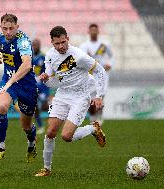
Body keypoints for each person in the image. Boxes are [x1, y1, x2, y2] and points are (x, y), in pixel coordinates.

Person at [35, 26, 107, 177]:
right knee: (50, 132)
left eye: (63, 42)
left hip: (80, 96)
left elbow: (100, 71)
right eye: (57, 44)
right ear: (52, 43)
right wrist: (45, 78)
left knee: (66, 136)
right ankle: (46, 169)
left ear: (67, 38)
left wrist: (99, 95)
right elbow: (50, 77)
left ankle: (93, 129)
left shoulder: (79, 56)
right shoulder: (49, 55)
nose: (61, 46)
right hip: (62, 94)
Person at [0, 13, 38, 163]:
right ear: (1, 27)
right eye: (5, 28)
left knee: (26, 126)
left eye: (11, 28)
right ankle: (1, 147)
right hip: (8, 81)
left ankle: (31, 143)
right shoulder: (1, 36)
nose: (8, 32)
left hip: (27, 86)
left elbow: (26, 65)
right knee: (2, 107)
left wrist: (11, 82)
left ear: (17, 27)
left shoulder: (23, 41)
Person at [80, 23, 113, 126]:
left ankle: (100, 116)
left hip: (102, 74)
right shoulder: (84, 46)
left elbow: (112, 56)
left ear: (98, 31)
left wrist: (110, 64)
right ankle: (93, 117)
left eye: (95, 30)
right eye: (92, 30)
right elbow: (81, 60)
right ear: (89, 32)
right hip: (90, 75)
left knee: (101, 96)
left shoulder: (104, 44)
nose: (93, 32)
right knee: (90, 98)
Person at [32, 38, 49, 135]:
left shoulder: (43, 58)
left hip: (42, 86)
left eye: (36, 45)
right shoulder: (29, 58)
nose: (35, 47)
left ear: (39, 45)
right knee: (35, 107)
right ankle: (41, 127)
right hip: (33, 85)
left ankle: (57, 119)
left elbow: (48, 72)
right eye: (33, 45)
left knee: (45, 105)